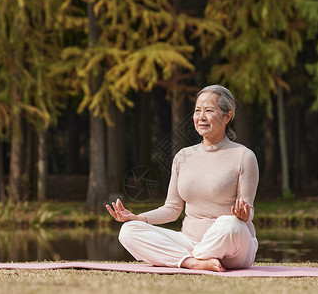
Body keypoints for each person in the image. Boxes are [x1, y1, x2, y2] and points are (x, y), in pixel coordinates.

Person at [106, 84, 259, 272]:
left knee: (229, 223)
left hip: (233, 246)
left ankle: (190, 256)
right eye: (197, 111)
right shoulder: (183, 156)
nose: (201, 117)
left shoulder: (244, 156)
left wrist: (243, 215)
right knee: (129, 230)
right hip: (190, 241)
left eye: (209, 110)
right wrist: (138, 217)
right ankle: (193, 262)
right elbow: (172, 209)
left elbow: (248, 210)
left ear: (227, 117)